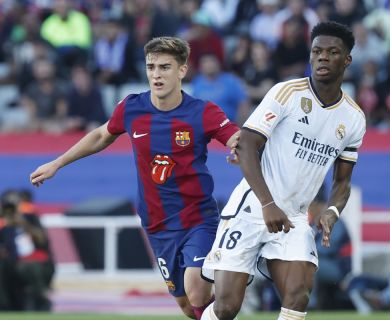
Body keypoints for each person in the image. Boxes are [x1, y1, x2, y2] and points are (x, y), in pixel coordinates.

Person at [30, 37, 240, 319]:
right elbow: (101, 135)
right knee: (188, 307)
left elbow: (237, 138)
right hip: (157, 223)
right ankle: (226, 306)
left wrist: (240, 148)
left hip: (197, 218)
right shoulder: (132, 108)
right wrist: (57, 163)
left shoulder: (203, 112)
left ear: (182, 70)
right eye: (151, 67)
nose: (156, 74)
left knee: (196, 289)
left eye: (165, 67)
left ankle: (227, 299)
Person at [201, 21, 366, 320]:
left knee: (298, 295)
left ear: (347, 60)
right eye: (317, 51)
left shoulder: (354, 118)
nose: (323, 58)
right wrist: (267, 203)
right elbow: (247, 145)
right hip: (253, 207)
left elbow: (343, 181)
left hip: (294, 216)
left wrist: (332, 211)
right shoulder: (287, 92)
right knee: (226, 307)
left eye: (332, 52)